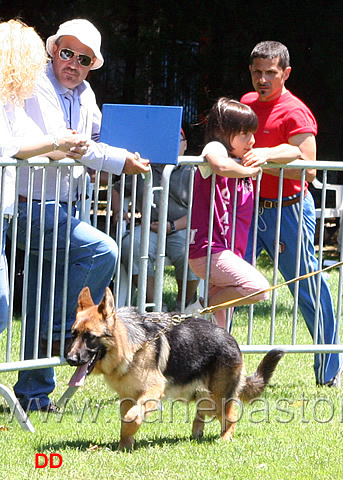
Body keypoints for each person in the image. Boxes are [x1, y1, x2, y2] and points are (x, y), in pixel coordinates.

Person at [12, 18, 150, 412]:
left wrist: (148, 143)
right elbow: (74, 145)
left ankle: (33, 396)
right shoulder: (38, 83)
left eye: (83, 58)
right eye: (66, 52)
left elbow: (101, 139)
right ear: (52, 50)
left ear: (92, 64)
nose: (72, 63)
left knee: (45, 298)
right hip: (29, 207)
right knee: (101, 250)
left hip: (64, 207)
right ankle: (61, 333)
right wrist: (120, 160)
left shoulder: (86, 92)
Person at [241, 41, 343, 387]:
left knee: (307, 289)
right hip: (248, 209)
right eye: (257, 72)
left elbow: (310, 168)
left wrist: (265, 158)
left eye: (270, 73)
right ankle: (208, 366)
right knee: (225, 283)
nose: (262, 79)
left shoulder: (296, 112)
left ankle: (330, 367)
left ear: (285, 73)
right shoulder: (245, 105)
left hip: (289, 211)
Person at [1, 20, 88, 338]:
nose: (38, 70)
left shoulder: (11, 105)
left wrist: (67, 146)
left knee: (1, 310)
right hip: (16, 210)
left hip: (5, 218)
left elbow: (37, 138)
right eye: (33, 61)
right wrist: (57, 143)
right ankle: (60, 331)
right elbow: (11, 147)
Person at [188, 97, 278, 328]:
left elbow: (297, 153)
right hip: (208, 250)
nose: (252, 140)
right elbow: (220, 166)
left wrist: (264, 156)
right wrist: (248, 171)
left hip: (227, 252)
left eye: (252, 133)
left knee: (220, 333)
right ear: (222, 131)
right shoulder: (216, 148)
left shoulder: (243, 160)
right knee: (258, 287)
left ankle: (211, 348)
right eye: (244, 134)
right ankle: (195, 312)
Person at [115, 128, 199, 309]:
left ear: (185, 145)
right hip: (148, 228)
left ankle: (184, 307)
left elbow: (202, 210)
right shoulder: (143, 169)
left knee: (191, 250)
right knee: (133, 245)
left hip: (182, 228)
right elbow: (117, 190)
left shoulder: (193, 170)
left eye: (178, 139)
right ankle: (156, 307)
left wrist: (172, 226)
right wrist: (118, 211)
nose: (171, 144)